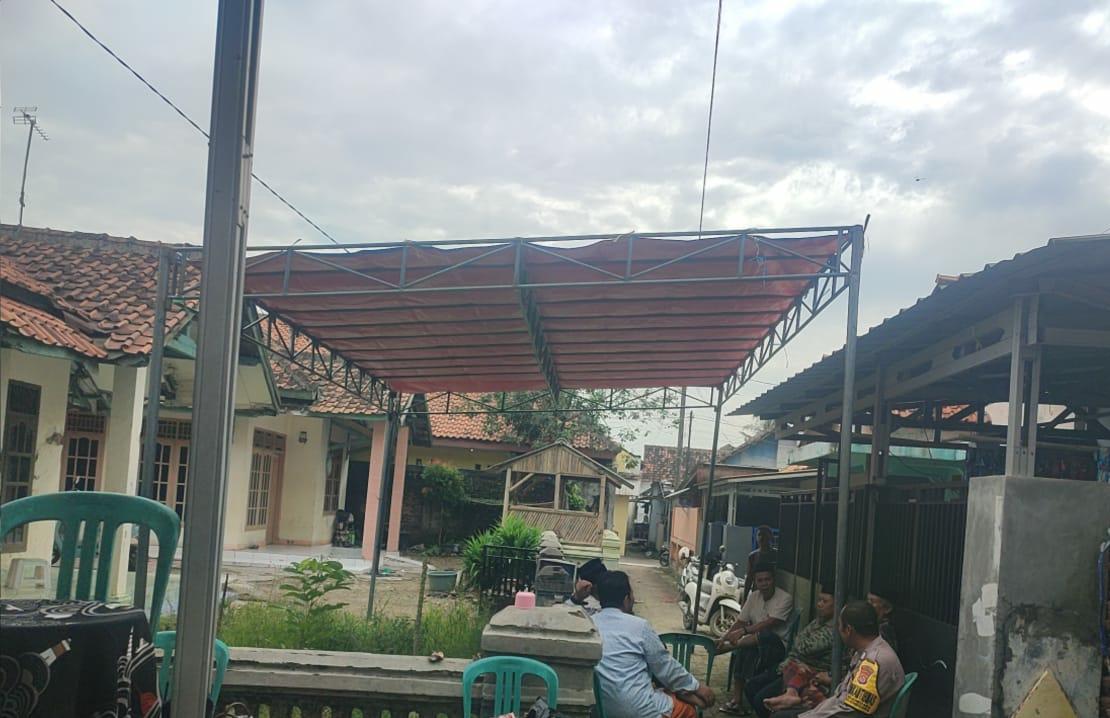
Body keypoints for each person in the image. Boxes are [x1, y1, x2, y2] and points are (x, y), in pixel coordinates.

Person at [592, 571, 716, 718]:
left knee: (665, 690)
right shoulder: (639, 626)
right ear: (626, 599)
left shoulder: (590, 622)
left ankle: (682, 694)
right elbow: (665, 666)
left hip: (601, 707)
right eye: (632, 594)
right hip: (638, 709)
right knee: (688, 710)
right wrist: (697, 687)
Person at [767, 600, 905, 718]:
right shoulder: (867, 651)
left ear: (848, 630)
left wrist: (807, 716)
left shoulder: (873, 662)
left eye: (839, 625)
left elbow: (850, 713)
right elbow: (843, 697)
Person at [745, 586, 838, 718]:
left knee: (761, 700)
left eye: (825, 601)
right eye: (819, 600)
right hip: (791, 666)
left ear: (837, 604)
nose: (819, 604)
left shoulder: (835, 629)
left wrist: (799, 643)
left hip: (808, 673)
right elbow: (798, 642)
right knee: (751, 686)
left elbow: (804, 647)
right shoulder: (819, 621)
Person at [716, 563, 794, 715]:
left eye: (767, 579)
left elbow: (769, 623)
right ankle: (737, 701)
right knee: (745, 649)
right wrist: (724, 638)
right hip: (754, 644)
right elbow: (740, 621)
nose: (764, 584)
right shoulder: (753, 597)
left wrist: (743, 632)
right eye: (760, 580)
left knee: (764, 634)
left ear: (773, 579)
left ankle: (733, 646)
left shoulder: (785, 598)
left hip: (777, 647)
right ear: (755, 582)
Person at [743, 526, 780, 602]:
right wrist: (745, 599)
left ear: (770, 537)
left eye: (764, 535)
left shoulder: (776, 555)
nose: (761, 537)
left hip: (773, 595)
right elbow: (749, 578)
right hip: (757, 594)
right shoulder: (753, 556)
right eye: (759, 535)